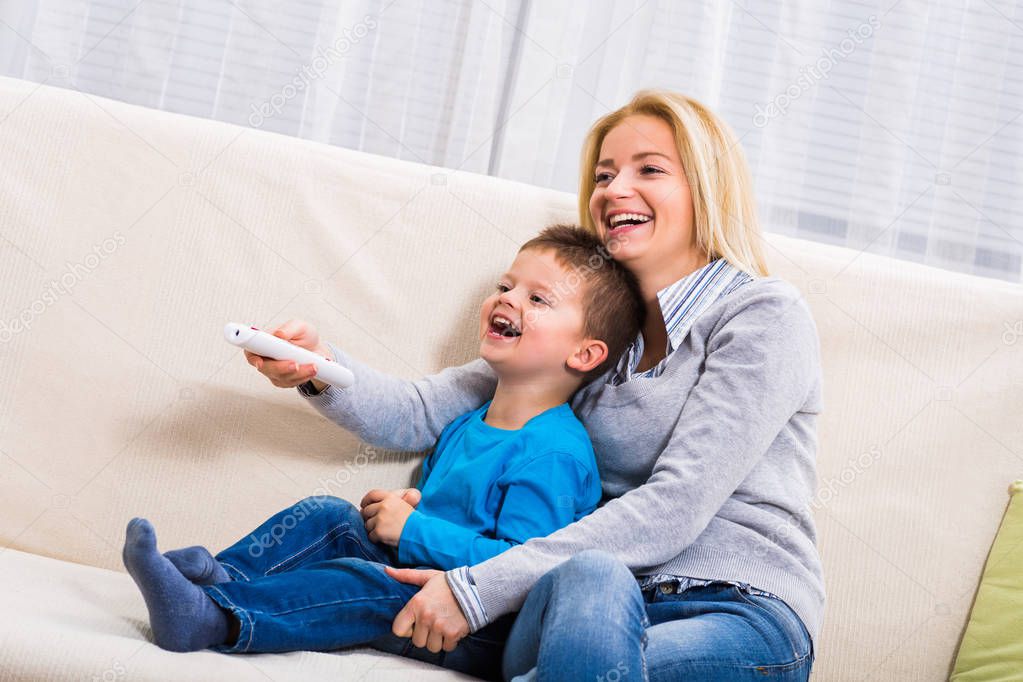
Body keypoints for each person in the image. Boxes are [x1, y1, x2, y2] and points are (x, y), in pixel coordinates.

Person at [290, 90, 825, 681]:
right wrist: (319, 368)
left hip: (735, 611)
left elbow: (678, 505)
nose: (614, 190)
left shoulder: (763, 316)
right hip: (579, 606)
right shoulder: (585, 335)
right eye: (603, 175)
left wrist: (477, 587)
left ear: (706, 188)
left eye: (649, 169)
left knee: (595, 585)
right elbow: (420, 411)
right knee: (590, 577)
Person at [120, 225, 645, 680]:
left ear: (585, 353)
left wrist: (413, 531)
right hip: (420, 571)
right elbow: (452, 511)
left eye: (538, 299)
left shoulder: (555, 453)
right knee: (327, 516)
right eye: (506, 286)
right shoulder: (470, 420)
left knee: (365, 581)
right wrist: (409, 512)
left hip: (481, 622)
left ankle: (215, 619)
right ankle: (221, 578)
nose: (508, 299)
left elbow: (524, 564)